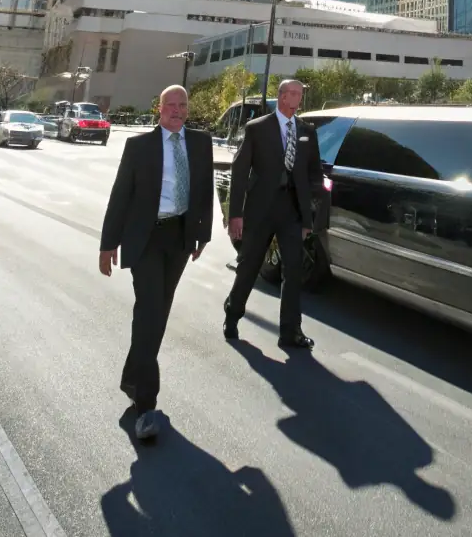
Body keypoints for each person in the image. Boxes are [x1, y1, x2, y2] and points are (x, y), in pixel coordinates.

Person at [99, 84, 214, 442]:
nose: (177, 110)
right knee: (150, 313)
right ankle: (146, 406)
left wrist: (202, 235)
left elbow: (204, 189)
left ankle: (132, 379)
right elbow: (121, 195)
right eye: (171, 105)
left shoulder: (200, 142)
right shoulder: (139, 147)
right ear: (159, 108)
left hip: (178, 239)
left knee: (156, 314)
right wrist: (108, 244)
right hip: (146, 238)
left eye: (182, 105)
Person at [224, 78, 322, 352]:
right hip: (260, 209)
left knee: (293, 269)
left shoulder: (306, 131)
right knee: (250, 265)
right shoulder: (258, 128)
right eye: (293, 93)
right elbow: (240, 171)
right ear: (281, 96)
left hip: (292, 211)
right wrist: (236, 215)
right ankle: (233, 312)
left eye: (300, 94)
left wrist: (308, 215)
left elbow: (313, 173)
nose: (298, 98)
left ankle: (290, 331)